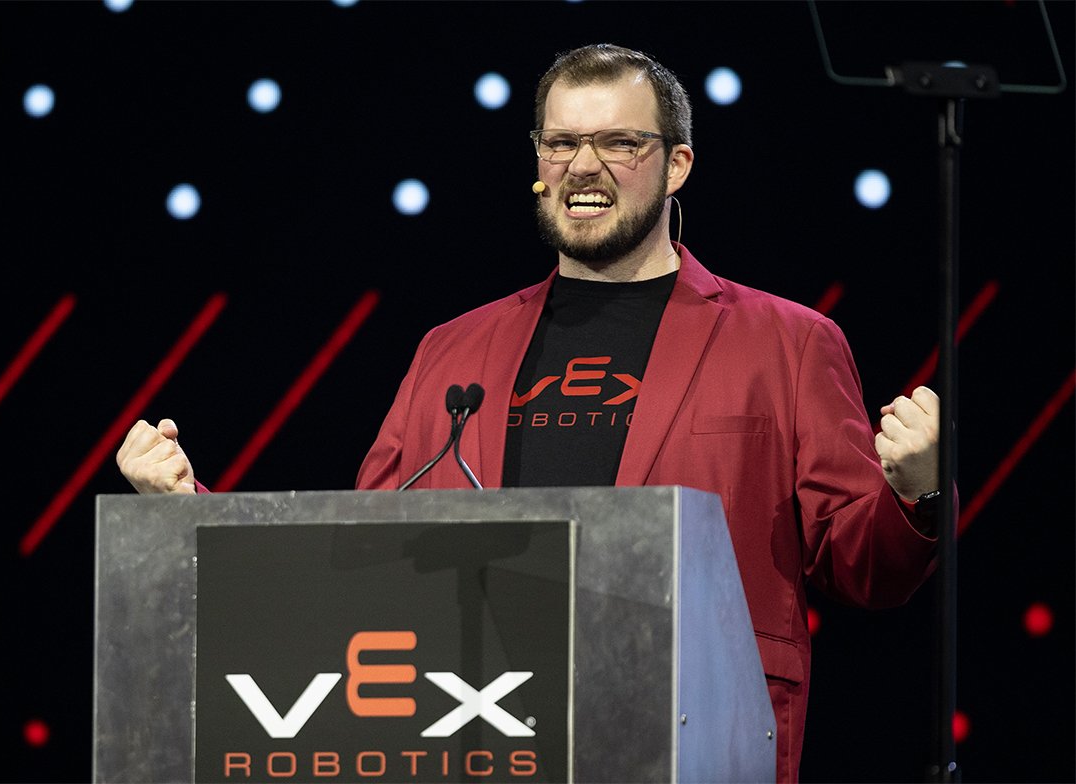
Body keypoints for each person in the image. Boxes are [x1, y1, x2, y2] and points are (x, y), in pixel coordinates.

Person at [117, 43, 941, 783]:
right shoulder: (453, 349)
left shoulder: (786, 343)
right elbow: (362, 559)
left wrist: (916, 492)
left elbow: (865, 572)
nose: (584, 167)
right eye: (561, 143)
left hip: (686, 734)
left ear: (677, 164)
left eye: (619, 143)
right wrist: (186, 511)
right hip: (477, 732)